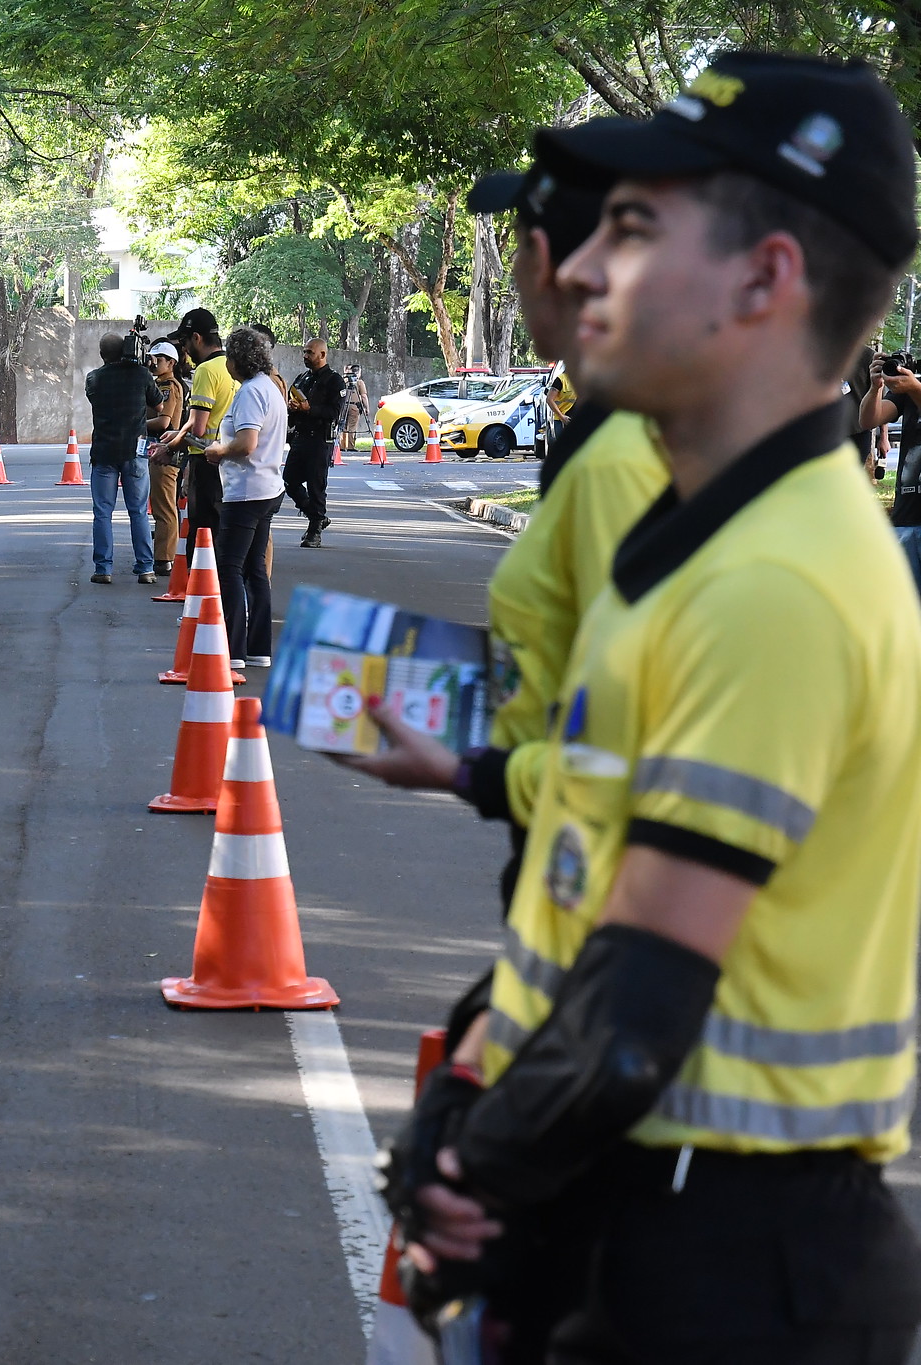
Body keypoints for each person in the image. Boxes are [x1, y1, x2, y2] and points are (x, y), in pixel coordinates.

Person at [384, 53, 921, 1360]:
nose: (572, 272)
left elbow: (639, 1003)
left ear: (764, 277)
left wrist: (474, 1166)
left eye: (630, 229)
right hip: (651, 1201)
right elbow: (592, 867)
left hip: (730, 1258)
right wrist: (470, 1074)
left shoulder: (773, 583)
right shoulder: (692, 541)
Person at [341, 142, 671, 1355]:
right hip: (560, 920)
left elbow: (648, 764)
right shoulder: (612, 442)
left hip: (608, 976)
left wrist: (474, 768)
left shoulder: (634, 462)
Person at [204, 326, 284, 668]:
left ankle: (234, 649)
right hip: (266, 488)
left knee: (230, 568)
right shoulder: (270, 388)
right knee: (254, 569)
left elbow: (247, 443)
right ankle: (258, 648)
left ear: (237, 360)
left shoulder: (251, 392)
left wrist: (220, 450)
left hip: (247, 492)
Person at [151, 309, 235, 555]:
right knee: (221, 533)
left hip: (205, 461)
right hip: (230, 461)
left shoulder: (206, 371)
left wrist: (170, 446)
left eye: (185, 342)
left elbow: (198, 426)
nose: (184, 350)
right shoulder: (230, 366)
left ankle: (198, 588)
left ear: (197, 338)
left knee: (202, 534)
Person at [84, 332, 163, 583]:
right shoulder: (140, 374)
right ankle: (145, 568)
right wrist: (143, 369)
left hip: (104, 452)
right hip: (135, 450)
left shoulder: (93, 379)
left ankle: (103, 569)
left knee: (102, 512)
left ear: (101, 355)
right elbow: (159, 406)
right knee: (138, 511)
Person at [856, 350, 921, 586]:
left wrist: (914, 389)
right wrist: (876, 387)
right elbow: (868, 419)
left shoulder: (914, 387)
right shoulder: (913, 383)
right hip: (907, 516)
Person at [286, 339, 344, 547]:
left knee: (315, 485)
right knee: (289, 481)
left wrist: (310, 408)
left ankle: (314, 531)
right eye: (304, 352)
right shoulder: (302, 379)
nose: (305, 356)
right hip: (300, 437)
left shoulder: (334, 381)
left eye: (310, 352)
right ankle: (317, 516)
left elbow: (335, 412)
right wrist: (293, 408)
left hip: (319, 439)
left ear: (322, 355)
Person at [145, 341, 189, 571]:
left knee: (164, 507)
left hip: (165, 447)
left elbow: (164, 421)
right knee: (161, 504)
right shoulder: (159, 383)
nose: (153, 363)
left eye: (158, 359)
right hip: (158, 447)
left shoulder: (169, 386)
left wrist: (136, 425)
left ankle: (164, 557)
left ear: (171, 363)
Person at [341, 364, 370, 446]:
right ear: (358, 372)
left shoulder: (343, 381)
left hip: (344, 406)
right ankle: (350, 446)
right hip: (354, 407)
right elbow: (364, 396)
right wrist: (367, 408)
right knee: (352, 427)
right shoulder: (359, 382)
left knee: (343, 426)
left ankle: (342, 445)